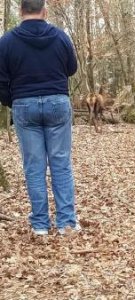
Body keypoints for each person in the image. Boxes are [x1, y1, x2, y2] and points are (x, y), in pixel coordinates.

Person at [0, 0, 80, 235]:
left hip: (24, 104)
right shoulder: (60, 37)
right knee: (61, 163)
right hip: (57, 101)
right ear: (44, 11)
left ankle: (40, 225)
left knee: (34, 167)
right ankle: (66, 223)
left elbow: (1, 79)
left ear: (20, 10)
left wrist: (10, 101)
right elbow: (72, 68)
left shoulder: (6, 42)